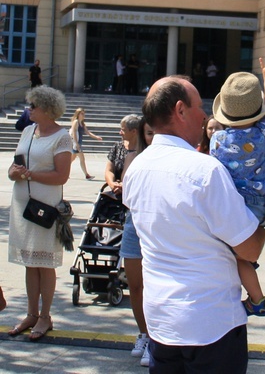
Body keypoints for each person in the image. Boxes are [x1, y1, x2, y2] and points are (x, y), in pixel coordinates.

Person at [123, 75, 265, 373]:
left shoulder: (136, 168)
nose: (205, 116)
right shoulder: (205, 171)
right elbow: (250, 248)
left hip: (161, 321)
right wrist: (261, 223)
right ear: (180, 110)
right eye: (199, 106)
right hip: (211, 322)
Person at [210, 58, 265, 317]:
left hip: (240, 205)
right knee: (242, 255)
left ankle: (257, 300)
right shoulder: (264, 132)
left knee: (238, 259)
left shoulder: (218, 140)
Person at [7, 86, 72, 341]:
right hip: (22, 203)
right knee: (30, 262)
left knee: (45, 264)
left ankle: (45, 316)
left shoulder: (62, 137)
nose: (29, 109)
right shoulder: (27, 131)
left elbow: (62, 176)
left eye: (33, 106)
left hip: (45, 207)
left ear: (47, 109)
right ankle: (31, 313)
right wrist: (13, 173)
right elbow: (17, 163)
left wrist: (31, 175)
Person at [120, 117, 155, 367]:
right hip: (135, 221)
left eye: (155, 132)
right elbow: (126, 195)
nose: (152, 137)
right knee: (135, 285)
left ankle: (156, 340)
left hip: (158, 223)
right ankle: (143, 333)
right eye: (148, 134)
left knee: (155, 284)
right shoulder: (135, 157)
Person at [104, 114, 140, 197]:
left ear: (134, 132)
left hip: (136, 195)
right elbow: (109, 170)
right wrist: (112, 184)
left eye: (123, 130)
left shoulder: (144, 150)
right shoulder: (117, 147)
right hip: (116, 195)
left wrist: (125, 186)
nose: (120, 132)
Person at [69, 108, 103, 180]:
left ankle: (64, 172)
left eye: (84, 114)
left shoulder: (82, 124)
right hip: (76, 144)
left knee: (71, 159)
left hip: (78, 143)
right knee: (82, 159)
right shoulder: (76, 122)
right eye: (82, 113)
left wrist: (96, 137)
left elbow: (88, 133)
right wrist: (76, 143)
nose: (83, 115)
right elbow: (74, 133)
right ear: (78, 114)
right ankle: (87, 175)